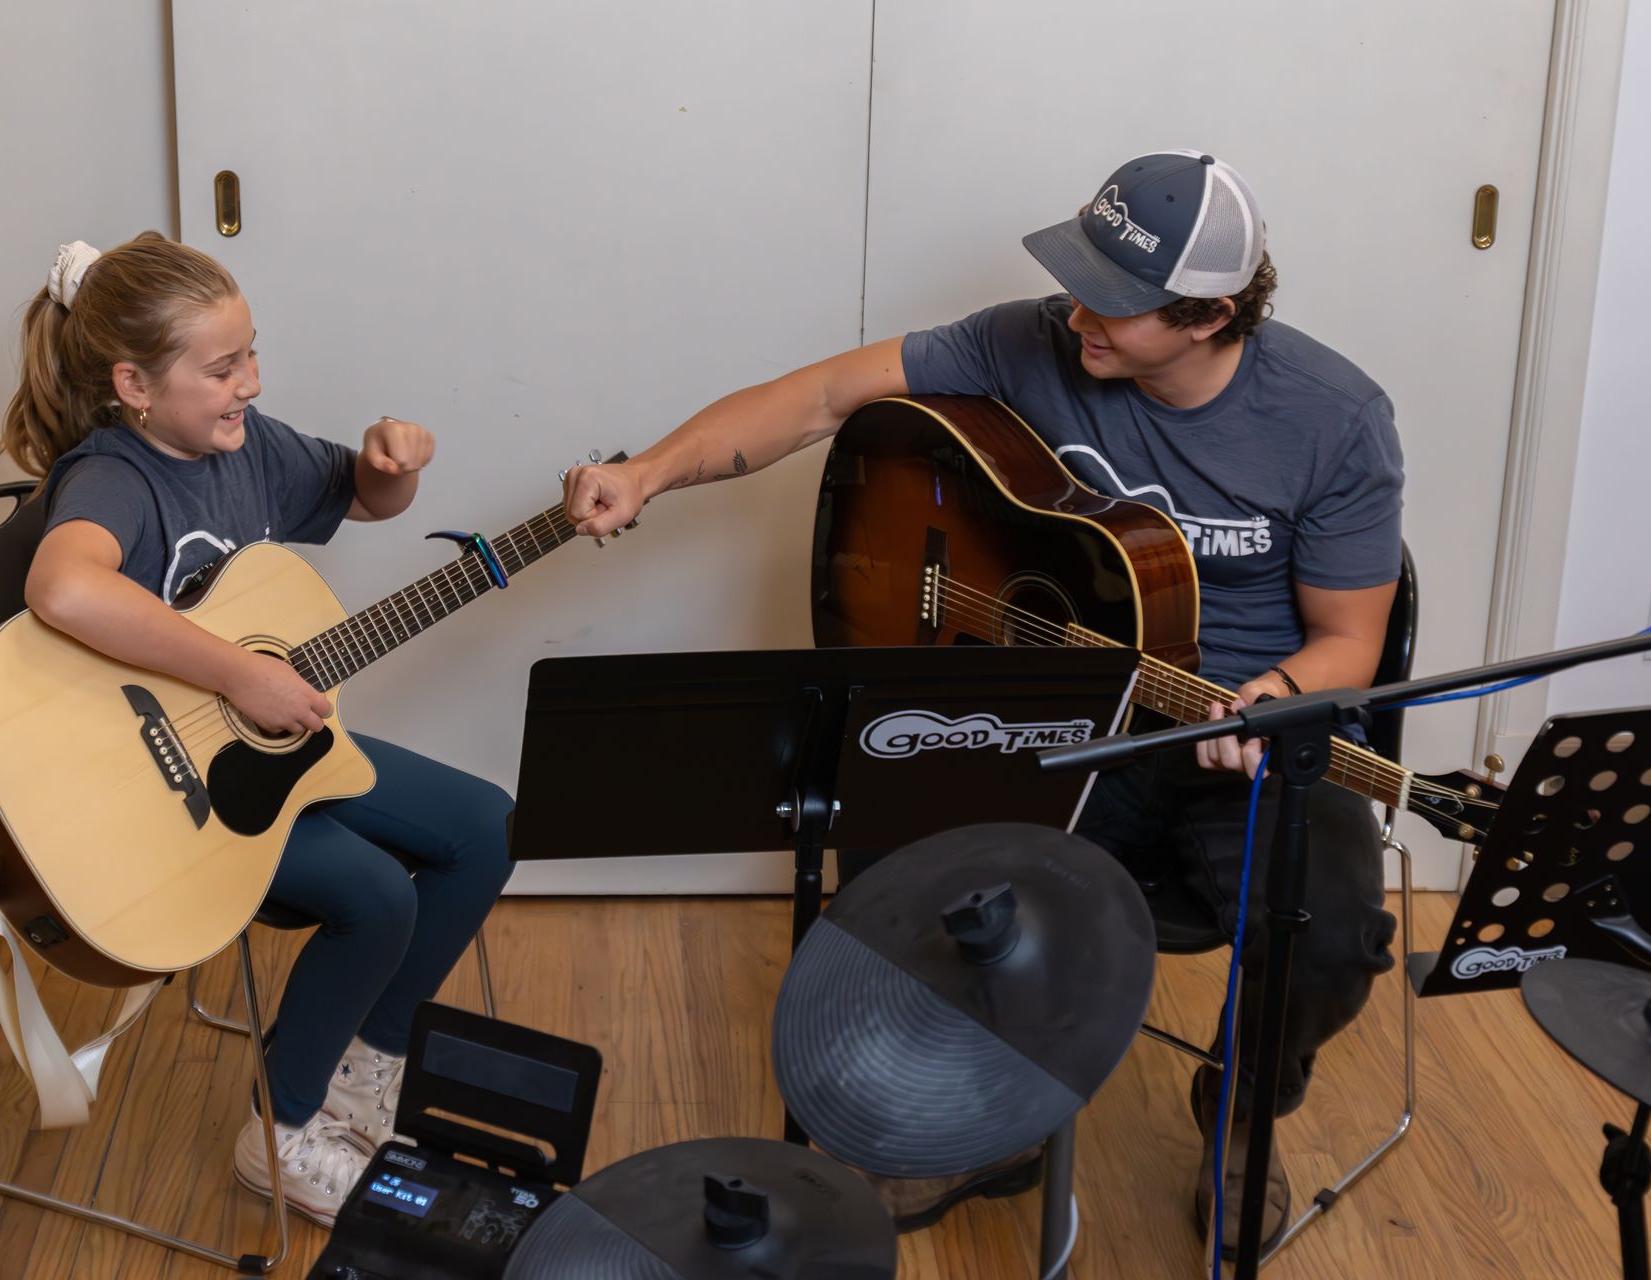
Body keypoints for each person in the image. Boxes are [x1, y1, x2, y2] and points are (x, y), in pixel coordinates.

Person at [562, 151, 1403, 1254]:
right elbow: (818, 398)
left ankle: (1243, 1107)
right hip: (1050, 712)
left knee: (1334, 930)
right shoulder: (1032, 338)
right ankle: (983, 1106)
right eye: (1076, 276)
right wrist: (653, 470)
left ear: (1207, 313)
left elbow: (1349, 641)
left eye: (1116, 300)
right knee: (913, 860)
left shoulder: (1333, 418)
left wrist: (1274, 698)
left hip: (1223, 733)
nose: (1077, 312)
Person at [1, 231, 515, 1225]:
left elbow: (361, 497)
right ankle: (277, 1131)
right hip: (159, 799)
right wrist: (241, 671)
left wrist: (392, 467)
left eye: (251, 354)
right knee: (374, 894)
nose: (252, 379)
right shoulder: (115, 473)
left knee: (484, 825)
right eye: (224, 365)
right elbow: (61, 585)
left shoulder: (244, 445)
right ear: (135, 385)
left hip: (259, 760)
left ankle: (366, 1071)